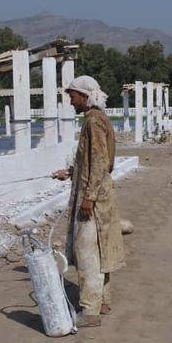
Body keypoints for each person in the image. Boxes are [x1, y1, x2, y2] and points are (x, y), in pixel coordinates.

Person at [52, 75, 124, 328]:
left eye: (72, 96)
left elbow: (101, 163)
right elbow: (95, 161)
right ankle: (103, 301)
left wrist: (88, 198)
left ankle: (90, 311)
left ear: (84, 96)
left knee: (87, 255)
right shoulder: (99, 119)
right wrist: (70, 172)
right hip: (101, 197)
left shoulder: (93, 122)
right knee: (100, 249)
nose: (71, 102)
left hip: (93, 201)